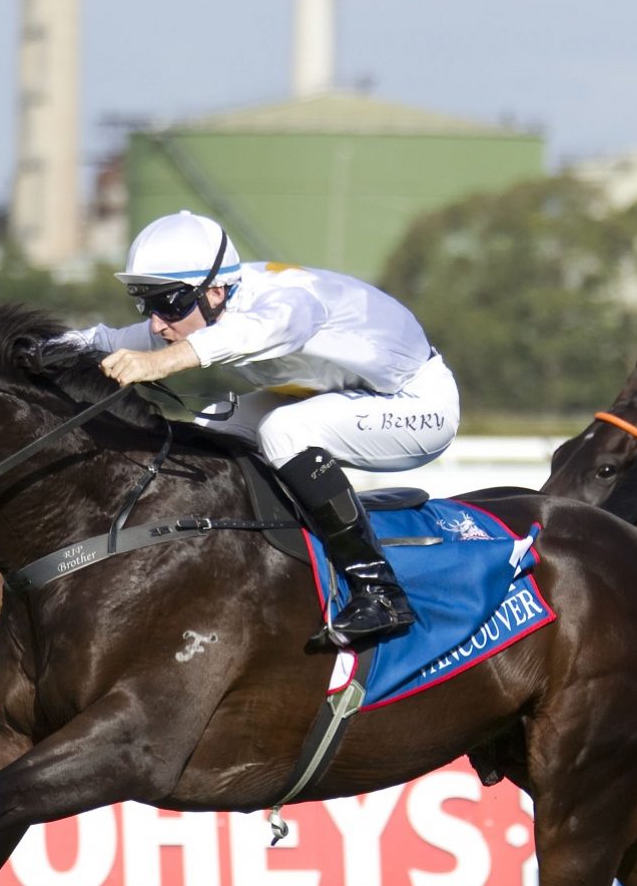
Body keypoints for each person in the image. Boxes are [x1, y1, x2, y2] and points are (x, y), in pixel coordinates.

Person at [69, 210, 459, 651]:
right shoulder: (203, 305)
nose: (158, 323)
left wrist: (159, 362)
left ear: (215, 291)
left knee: (284, 429)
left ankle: (380, 592)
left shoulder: (286, 302)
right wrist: (24, 348)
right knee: (212, 424)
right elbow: (107, 339)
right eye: (148, 304)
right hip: (332, 395)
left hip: (416, 403)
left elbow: (255, 332)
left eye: (169, 304)